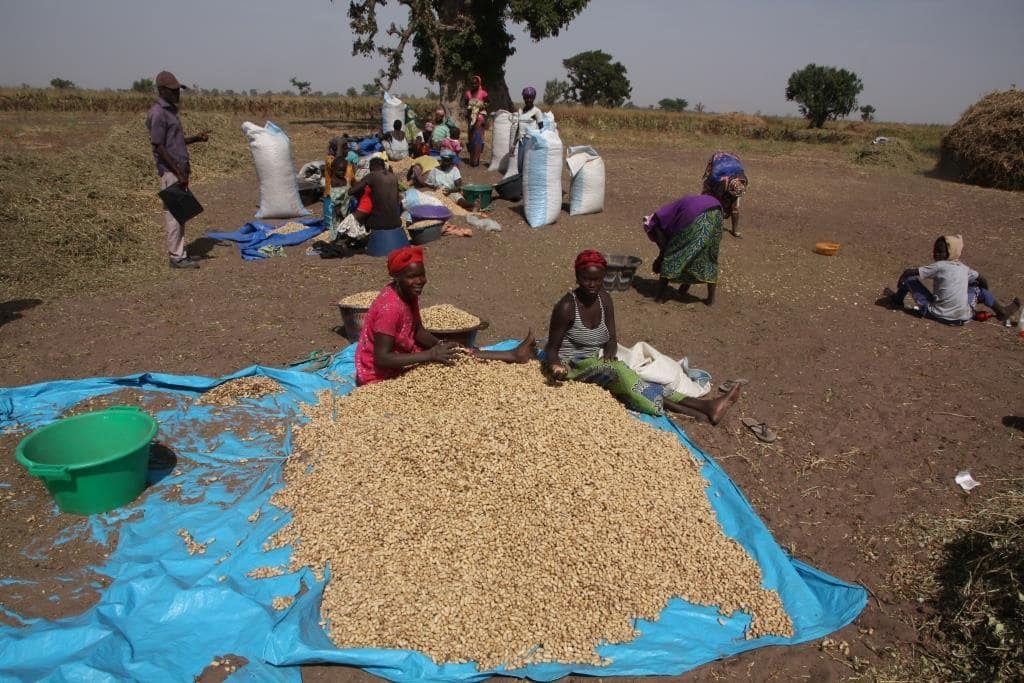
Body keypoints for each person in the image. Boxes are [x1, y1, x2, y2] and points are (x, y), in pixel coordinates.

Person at [542, 251, 741, 422]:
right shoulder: (567, 306)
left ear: (604, 277)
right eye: (586, 279)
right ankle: (700, 408)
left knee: (636, 376)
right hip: (572, 365)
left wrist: (610, 353)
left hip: (597, 358)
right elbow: (552, 349)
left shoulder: (604, 299)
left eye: (597, 279)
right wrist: (555, 366)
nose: (592, 284)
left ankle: (701, 409)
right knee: (621, 373)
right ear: (577, 276)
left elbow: (611, 338)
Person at [356, 246, 535, 385]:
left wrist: (439, 345)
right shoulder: (390, 308)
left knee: (453, 355)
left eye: (422, 275)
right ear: (396, 277)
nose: (419, 281)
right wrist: (430, 355)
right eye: (411, 276)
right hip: (379, 374)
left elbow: (417, 329)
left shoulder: (408, 294)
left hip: (401, 354)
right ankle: (513, 355)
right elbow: (382, 358)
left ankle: (512, 354)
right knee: (452, 370)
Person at [146, 70, 209, 269]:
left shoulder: (171, 112)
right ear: (162, 90)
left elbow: (175, 141)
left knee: (180, 213)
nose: (177, 94)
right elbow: (159, 146)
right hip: (171, 171)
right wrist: (178, 173)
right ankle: (176, 257)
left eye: (178, 90)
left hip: (179, 170)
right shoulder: (158, 113)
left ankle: (181, 252)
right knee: (173, 216)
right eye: (173, 91)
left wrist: (196, 139)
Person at [884, 235, 1020, 325]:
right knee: (978, 288)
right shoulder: (964, 268)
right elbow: (982, 279)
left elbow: (909, 272)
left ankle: (897, 300)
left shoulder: (939, 265)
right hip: (964, 317)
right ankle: (1001, 312)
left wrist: (902, 277)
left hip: (935, 314)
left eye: (940, 252)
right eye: (935, 250)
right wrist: (982, 293)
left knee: (910, 279)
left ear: (950, 253)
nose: (936, 254)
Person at [643, 195, 725, 305]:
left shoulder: (655, 224)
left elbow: (666, 250)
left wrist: (659, 260)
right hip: (717, 211)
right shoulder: (666, 214)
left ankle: (659, 298)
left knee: (672, 257)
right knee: (707, 255)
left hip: (696, 214)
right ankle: (710, 300)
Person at [701, 151, 748, 238]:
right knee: (711, 200)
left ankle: (735, 230)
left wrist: (732, 203)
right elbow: (710, 182)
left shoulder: (743, 179)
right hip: (718, 164)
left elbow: (738, 192)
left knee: (735, 207)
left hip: (732, 164)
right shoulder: (716, 175)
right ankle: (704, 222)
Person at [349, 158, 402, 230]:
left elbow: (352, 191)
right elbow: (398, 199)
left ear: (372, 167)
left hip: (378, 223)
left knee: (361, 216)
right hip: (397, 221)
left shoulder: (372, 176)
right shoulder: (393, 177)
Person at [514, 86, 544, 173]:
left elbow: (541, 129)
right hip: (521, 141)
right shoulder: (520, 111)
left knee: (528, 165)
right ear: (524, 98)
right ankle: (521, 182)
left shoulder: (536, 111)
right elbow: (518, 128)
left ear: (534, 98)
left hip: (531, 140)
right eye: (526, 98)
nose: (529, 100)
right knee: (520, 165)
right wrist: (513, 145)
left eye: (531, 98)